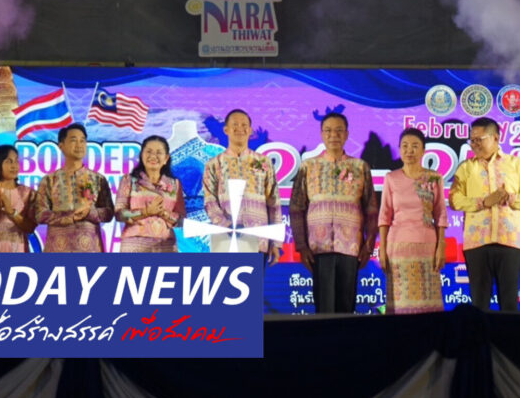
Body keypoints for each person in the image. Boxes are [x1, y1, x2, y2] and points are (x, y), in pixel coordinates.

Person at [290, 113, 378, 313]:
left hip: (351, 247)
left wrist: (369, 245)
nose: (334, 135)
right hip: (318, 247)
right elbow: (296, 208)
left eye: (339, 130)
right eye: (328, 131)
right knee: (324, 308)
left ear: (346, 134)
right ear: (322, 134)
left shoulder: (360, 167)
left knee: (346, 307)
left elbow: (371, 209)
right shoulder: (308, 166)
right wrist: (301, 246)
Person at [449, 117, 520, 311]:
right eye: (472, 140)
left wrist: (509, 198)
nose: (475, 144)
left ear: (496, 138)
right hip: (477, 243)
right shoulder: (466, 168)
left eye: (479, 139)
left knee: (509, 305)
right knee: (479, 306)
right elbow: (454, 200)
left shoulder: (516, 164)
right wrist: (483, 202)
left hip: (510, 242)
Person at [377, 128, 446, 314]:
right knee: (401, 303)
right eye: (405, 146)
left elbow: (440, 213)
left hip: (427, 246)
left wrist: (441, 246)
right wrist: (382, 249)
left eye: (415, 146)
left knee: (427, 301)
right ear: (399, 150)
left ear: (423, 150)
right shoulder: (391, 178)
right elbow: (384, 215)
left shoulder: (434, 177)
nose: (409, 151)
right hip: (397, 247)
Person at [202, 109, 282, 264]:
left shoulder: (263, 162)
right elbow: (209, 200)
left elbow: (274, 202)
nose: (240, 128)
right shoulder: (214, 164)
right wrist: (226, 226)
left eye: (244, 125)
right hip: (226, 240)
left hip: (257, 239)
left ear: (250, 130)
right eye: (235, 125)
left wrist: (275, 241)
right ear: (226, 130)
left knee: (255, 280)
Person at [35, 123, 113, 252]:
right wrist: (68, 217)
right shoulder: (49, 180)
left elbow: (109, 213)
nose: (79, 145)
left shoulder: (98, 179)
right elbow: (39, 214)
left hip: (90, 249)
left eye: (82, 141)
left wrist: (89, 213)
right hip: (58, 249)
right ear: (61, 146)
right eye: (73, 140)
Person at [115, 135, 185, 252]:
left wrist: (163, 213)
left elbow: (182, 221)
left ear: (166, 158)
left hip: (166, 246)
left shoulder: (175, 184)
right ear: (142, 155)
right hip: (134, 246)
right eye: (149, 152)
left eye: (159, 153)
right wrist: (146, 212)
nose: (153, 156)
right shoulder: (129, 180)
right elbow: (119, 214)